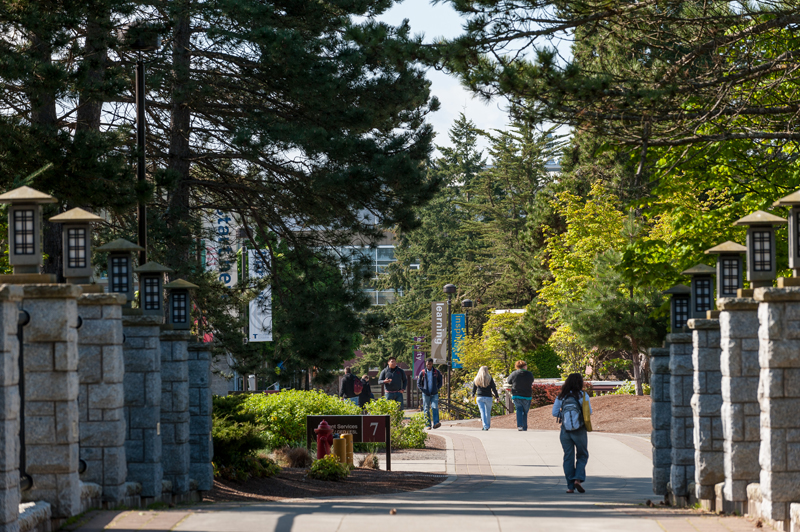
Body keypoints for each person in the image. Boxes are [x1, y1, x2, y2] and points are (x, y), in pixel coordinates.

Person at [552, 373, 592, 494]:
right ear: (580, 383)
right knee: (582, 455)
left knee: (568, 457)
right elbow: (588, 411)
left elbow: (554, 413)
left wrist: (563, 416)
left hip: (565, 430)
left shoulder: (561, 396)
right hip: (579, 429)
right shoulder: (583, 395)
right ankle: (578, 479)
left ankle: (570, 486)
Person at [507, 360, 535, 431]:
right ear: (524, 366)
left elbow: (508, 381)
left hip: (517, 395)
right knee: (525, 412)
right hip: (527, 396)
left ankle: (520, 426)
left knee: (519, 410)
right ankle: (524, 427)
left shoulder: (514, 374)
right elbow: (532, 381)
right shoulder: (529, 374)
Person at [417, 358, 443, 429]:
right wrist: (423, 390)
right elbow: (418, 383)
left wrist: (437, 388)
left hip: (434, 394)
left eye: (430, 364)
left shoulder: (436, 372)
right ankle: (428, 425)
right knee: (426, 409)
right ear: (426, 364)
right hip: (426, 394)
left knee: (435, 407)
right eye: (427, 364)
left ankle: (436, 423)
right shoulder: (422, 372)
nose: (428, 365)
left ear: (432, 364)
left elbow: (440, 381)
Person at [471, 366, 499, 430]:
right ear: (487, 370)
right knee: (488, 412)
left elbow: (474, 388)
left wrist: (473, 394)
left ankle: (485, 426)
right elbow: (494, 388)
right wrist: (497, 396)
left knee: (482, 412)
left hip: (480, 397)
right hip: (488, 397)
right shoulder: (489, 378)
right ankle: (488, 426)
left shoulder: (477, 378)